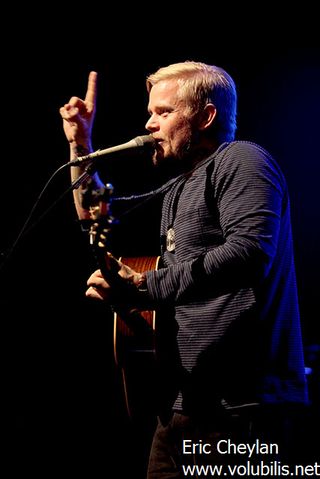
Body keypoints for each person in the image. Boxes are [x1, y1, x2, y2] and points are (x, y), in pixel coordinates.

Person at [59, 61, 309, 477]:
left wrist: (145, 286)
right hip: (181, 407)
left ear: (206, 116)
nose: (149, 123)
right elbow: (93, 216)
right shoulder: (179, 185)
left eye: (163, 112)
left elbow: (250, 251)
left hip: (241, 408)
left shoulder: (242, 159)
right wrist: (80, 143)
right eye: (150, 112)